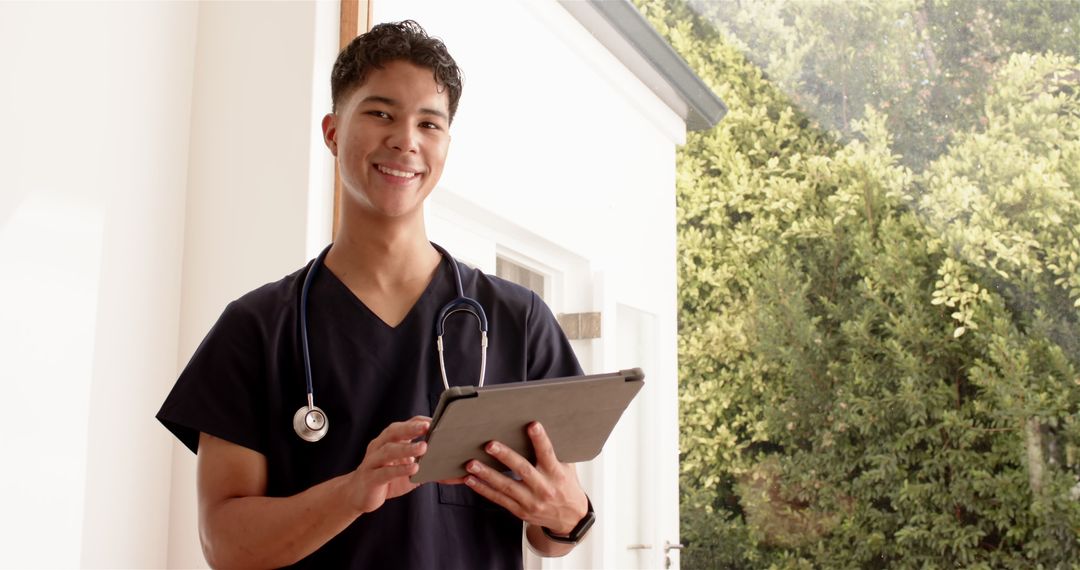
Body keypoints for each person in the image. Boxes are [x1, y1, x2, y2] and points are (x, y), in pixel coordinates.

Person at [156, 20, 593, 569]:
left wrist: (568, 515)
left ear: (445, 146)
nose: (405, 140)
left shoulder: (518, 320)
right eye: (381, 114)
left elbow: (552, 532)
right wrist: (353, 492)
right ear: (333, 132)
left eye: (428, 123)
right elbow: (225, 545)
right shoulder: (256, 328)